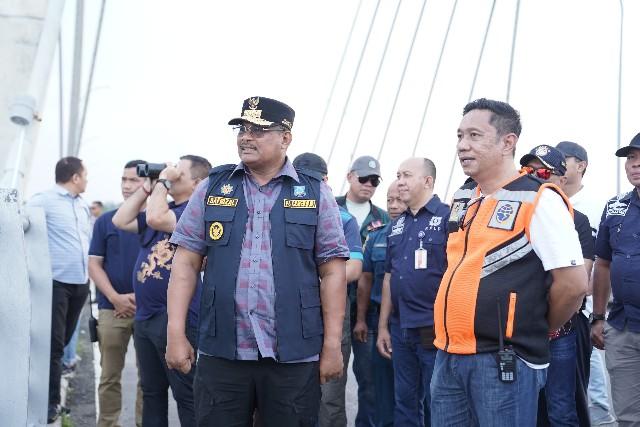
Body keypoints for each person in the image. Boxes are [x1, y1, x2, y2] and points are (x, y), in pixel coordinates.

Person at [165, 97, 349, 427]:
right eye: (242, 129)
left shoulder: (315, 192)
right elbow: (185, 264)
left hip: (293, 354)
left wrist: (333, 344)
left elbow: (333, 271)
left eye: (259, 130)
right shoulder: (213, 187)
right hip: (223, 351)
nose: (246, 137)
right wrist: (175, 333)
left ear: (285, 138)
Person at [430, 98, 588, 426]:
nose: (462, 145)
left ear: (508, 142)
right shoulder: (463, 198)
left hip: (503, 361)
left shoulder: (539, 198)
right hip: (448, 355)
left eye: (474, 135)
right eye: (459, 136)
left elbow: (573, 285)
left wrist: (535, 329)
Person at [112, 155, 211, 426]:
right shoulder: (164, 204)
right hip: (146, 317)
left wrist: (164, 180)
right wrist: (148, 186)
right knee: (152, 392)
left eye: (180, 170)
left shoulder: (195, 213)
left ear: (198, 183)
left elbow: (155, 218)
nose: (173, 172)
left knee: (187, 394)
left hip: (174, 318)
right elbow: (121, 219)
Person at [519, 145, 595, 427]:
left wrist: (550, 323)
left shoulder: (578, 219)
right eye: (527, 171)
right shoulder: (514, 215)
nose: (534, 177)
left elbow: (580, 282)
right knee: (522, 409)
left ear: (562, 180)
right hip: (521, 330)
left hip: (560, 329)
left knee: (561, 409)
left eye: (542, 172)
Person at [375, 157, 449, 426]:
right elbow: (389, 277)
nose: (400, 181)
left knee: (439, 402)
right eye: (398, 174)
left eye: (407, 175)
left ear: (427, 181)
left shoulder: (448, 218)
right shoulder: (396, 225)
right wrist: (383, 327)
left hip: (434, 329)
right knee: (404, 402)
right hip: (400, 328)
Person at [293, 152, 363, 427]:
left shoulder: (342, 218)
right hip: (289, 313)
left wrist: (309, 278)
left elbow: (354, 268)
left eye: (313, 181)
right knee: (284, 394)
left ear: (325, 182)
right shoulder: (276, 211)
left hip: (330, 311)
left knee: (329, 397)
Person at [27, 156, 92, 423]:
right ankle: (49, 404)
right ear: (75, 177)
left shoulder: (83, 205)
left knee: (63, 341)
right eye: (85, 175)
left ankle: (49, 395)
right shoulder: (43, 200)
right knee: (53, 346)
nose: (87, 179)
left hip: (80, 283)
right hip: (57, 284)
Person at [556, 140, 615, 426]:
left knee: (597, 393)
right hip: (556, 312)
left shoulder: (600, 205)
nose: (557, 164)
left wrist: (600, 312)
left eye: (563, 159)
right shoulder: (546, 203)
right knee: (566, 394)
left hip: (593, 311)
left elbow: (608, 259)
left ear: (581, 165)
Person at [89, 160, 146, 427]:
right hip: (112, 308)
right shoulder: (105, 222)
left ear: (148, 182)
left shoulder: (159, 218)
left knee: (150, 379)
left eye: (133, 180)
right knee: (109, 375)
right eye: (123, 179)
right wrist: (114, 297)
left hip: (152, 310)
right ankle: (108, 423)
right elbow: (94, 264)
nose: (126, 186)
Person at [336, 155, 390, 427]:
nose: (369, 184)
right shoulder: (328, 208)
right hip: (330, 305)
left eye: (375, 181)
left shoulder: (383, 218)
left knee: (369, 382)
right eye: (364, 178)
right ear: (349, 177)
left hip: (366, 313)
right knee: (330, 381)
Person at [591, 133, 640, 427]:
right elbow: (603, 264)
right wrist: (598, 318)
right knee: (627, 416)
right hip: (622, 327)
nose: (635, 165)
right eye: (631, 159)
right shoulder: (615, 207)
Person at [355, 181, 406, 427]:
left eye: (399, 200)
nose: (394, 206)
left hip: (410, 323)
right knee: (374, 388)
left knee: (409, 393)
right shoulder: (376, 236)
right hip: (376, 321)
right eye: (389, 200)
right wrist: (361, 319)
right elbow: (364, 281)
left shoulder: (423, 233)